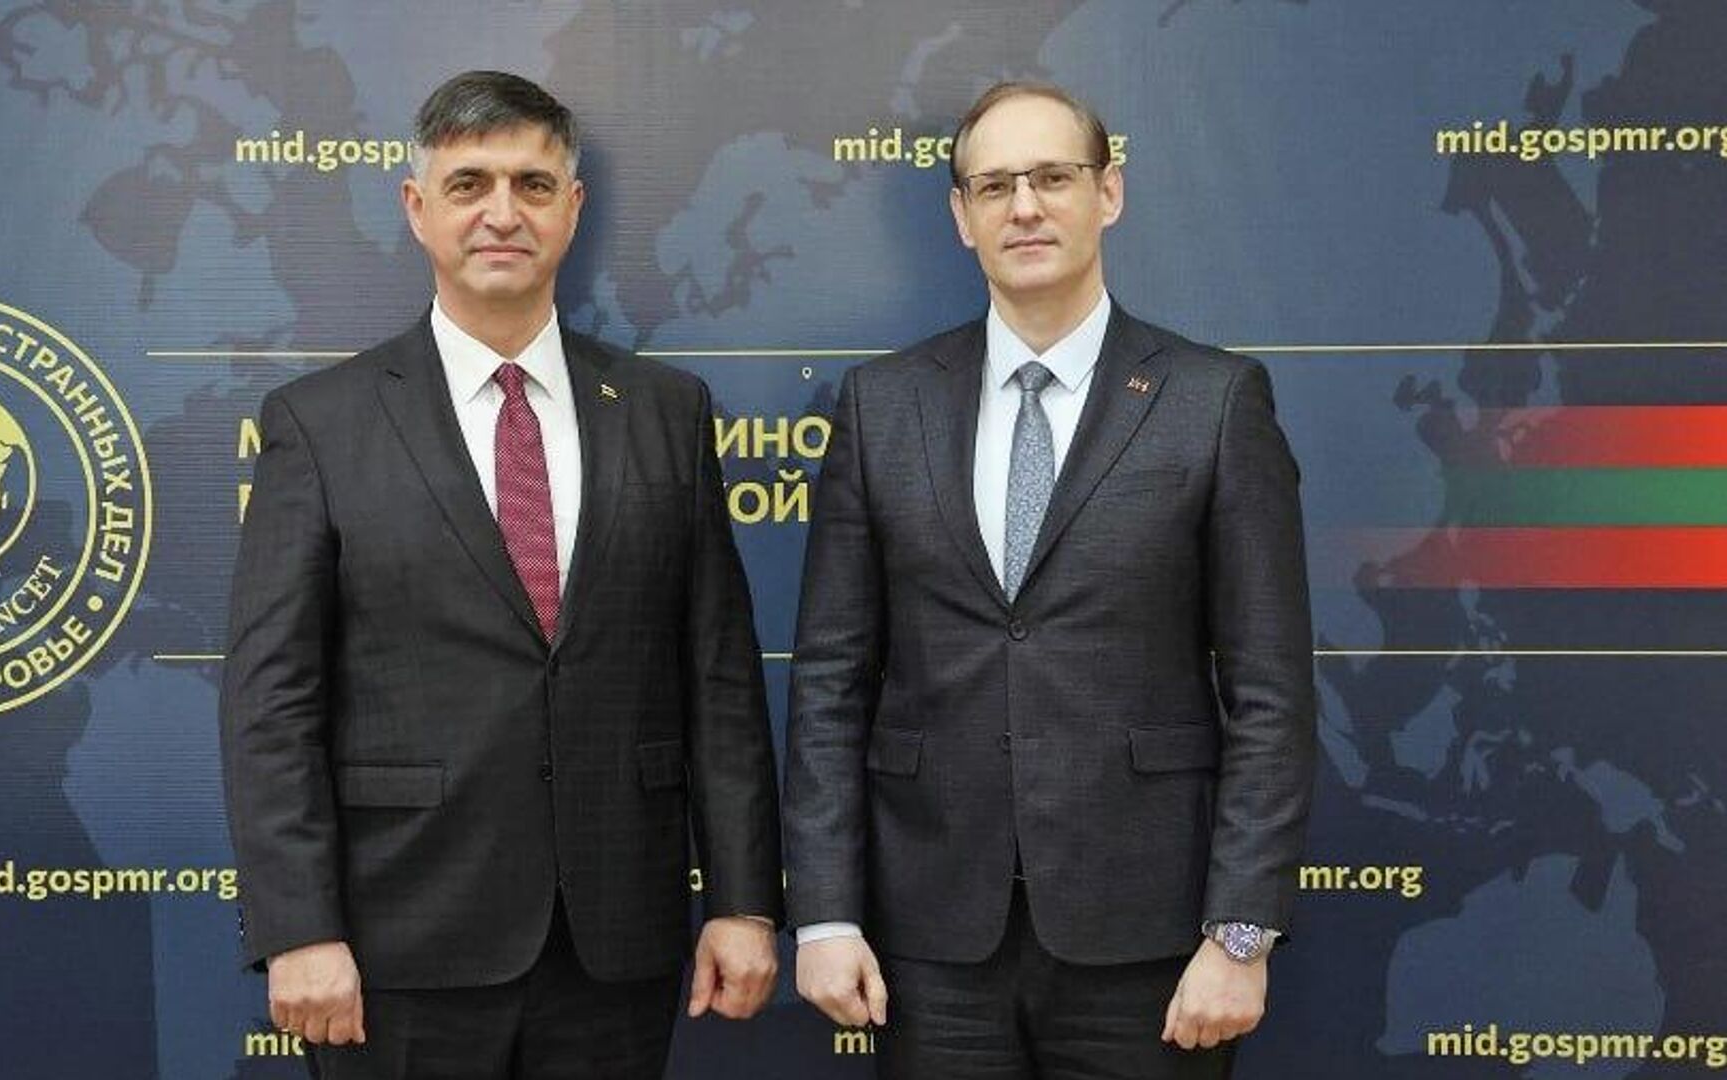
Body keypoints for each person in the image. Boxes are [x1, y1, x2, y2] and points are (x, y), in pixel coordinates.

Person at [220, 70, 782, 1080]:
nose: (501, 212)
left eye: (532, 184)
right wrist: (298, 927)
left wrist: (742, 901)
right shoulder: (321, 424)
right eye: (469, 183)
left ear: (573, 207)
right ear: (417, 208)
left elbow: (720, 683)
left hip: (615, 947)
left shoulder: (666, 412)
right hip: (397, 946)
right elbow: (273, 703)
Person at [783, 80, 1316, 1079]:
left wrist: (1241, 935)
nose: (1024, 207)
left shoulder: (1213, 402)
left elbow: (1271, 693)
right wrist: (823, 914)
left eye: (1052, 178)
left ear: (1108, 193)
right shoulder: (881, 405)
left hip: (1153, 943)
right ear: (961, 216)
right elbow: (830, 682)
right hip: (930, 942)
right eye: (995, 186)